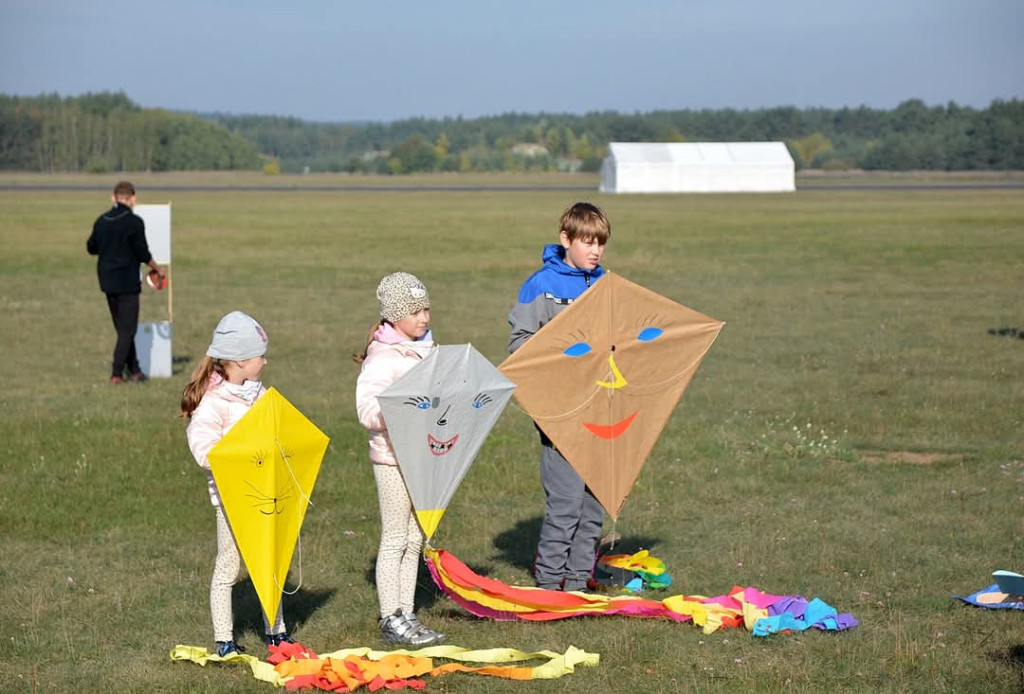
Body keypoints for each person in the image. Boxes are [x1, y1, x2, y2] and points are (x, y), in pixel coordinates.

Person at [507, 201, 612, 592]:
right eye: (587, 242)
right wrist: (565, 356)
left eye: (601, 243)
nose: (595, 251)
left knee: (591, 505)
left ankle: (578, 582)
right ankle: (550, 585)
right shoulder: (541, 285)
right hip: (560, 411)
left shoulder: (606, 284)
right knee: (566, 503)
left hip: (601, 411)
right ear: (565, 239)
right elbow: (519, 344)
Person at [181, 311, 295, 656]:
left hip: (266, 497)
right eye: (260, 355)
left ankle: (277, 633)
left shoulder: (262, 397)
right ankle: (224, 640)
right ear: (240, 361)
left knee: (270, 565)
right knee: (228, 567)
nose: (265, 360)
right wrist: (237, 455)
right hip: (232, 501)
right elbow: (203, 449)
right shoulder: (214, 402)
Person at [355, 272, 445, 646]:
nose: (424, 318)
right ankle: (391, 617)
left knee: (415, 537)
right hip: (392, 459)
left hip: (422, 456)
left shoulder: (428, 348)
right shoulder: (383, 357)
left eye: (426, 309)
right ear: (393, 317)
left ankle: (407, 613)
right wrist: (402, 410)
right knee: (395, 537)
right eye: (414, 311)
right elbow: (366, 410)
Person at [86, 181, 166, 384]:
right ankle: (116, 373)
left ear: (113, 198)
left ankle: (135, 370)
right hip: (128, 283)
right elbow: (142, 253)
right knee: (128, 330)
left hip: (107, 281)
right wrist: (157, 268)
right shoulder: (134, 222)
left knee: (123, 329)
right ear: (133, 199)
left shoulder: (101, 221)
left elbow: (91, 247)